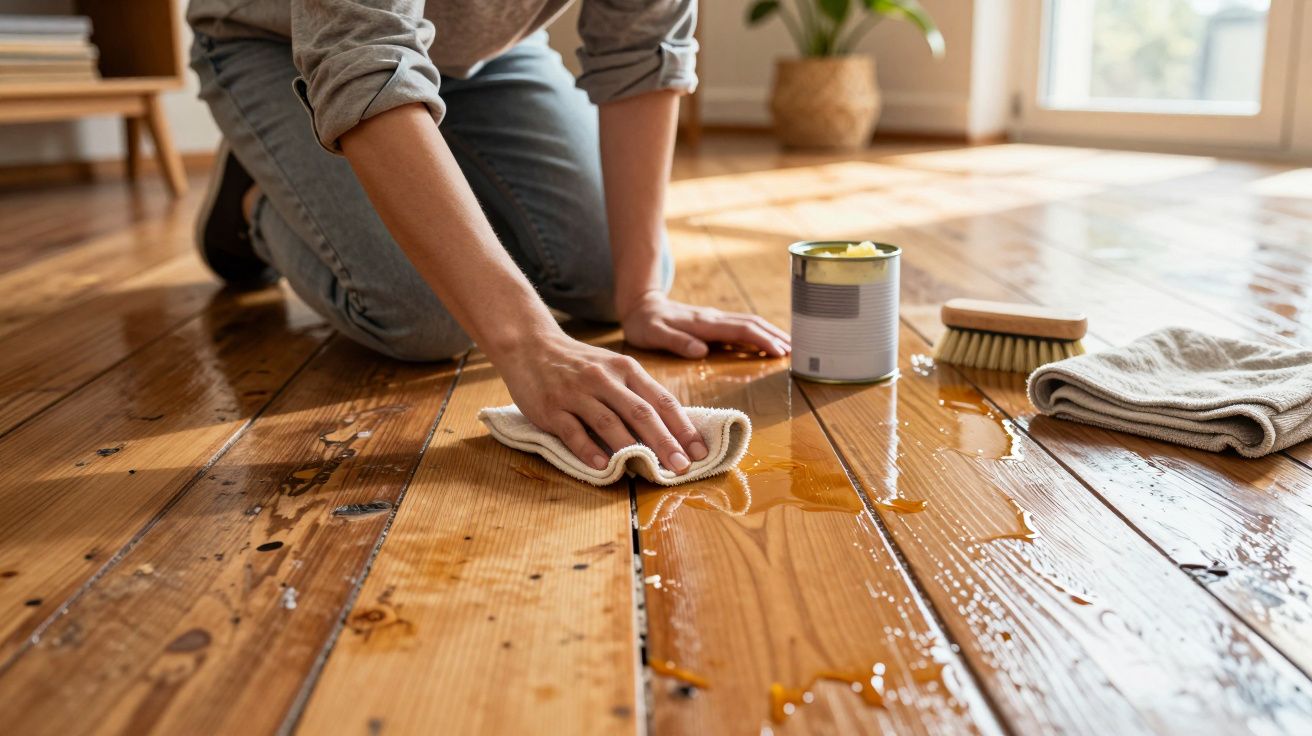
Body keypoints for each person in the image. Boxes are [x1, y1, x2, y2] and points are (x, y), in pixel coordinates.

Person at [187, 0, 790, 475]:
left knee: (619, 275)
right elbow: (361, 51)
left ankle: (423, 159)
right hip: (281, 40)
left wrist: (640, 299)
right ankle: (260, 193)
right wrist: (530, 343)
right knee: (427, 317)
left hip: (487, 56)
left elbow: (644, 40)